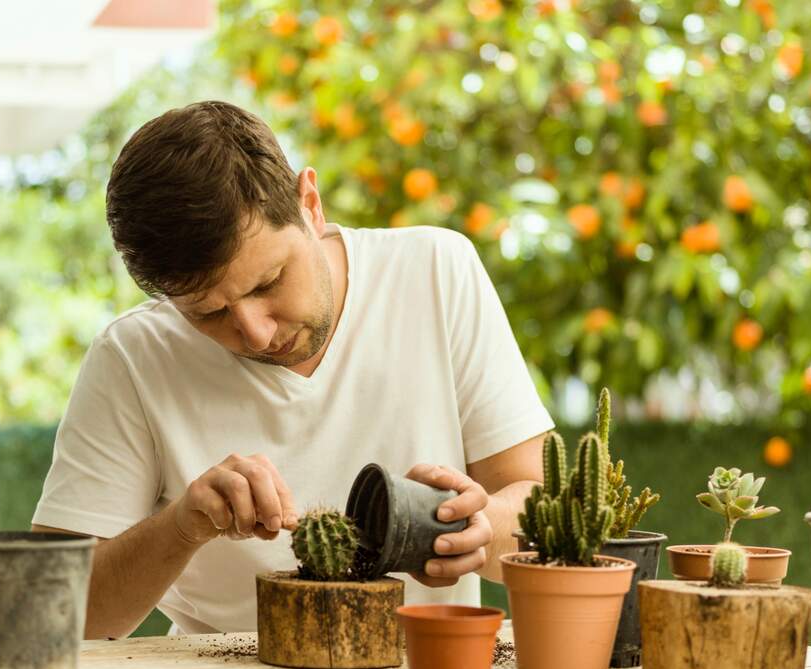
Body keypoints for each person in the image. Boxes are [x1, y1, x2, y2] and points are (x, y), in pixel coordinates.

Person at [31, 100, 553, 638]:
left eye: (268, 282)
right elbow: (58, 613)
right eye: (209, 314)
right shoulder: (133, 357)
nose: (255, 333)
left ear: (310, 204)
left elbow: (537, 502)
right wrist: (182, 527)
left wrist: (482, 528)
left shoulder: (436, 272)